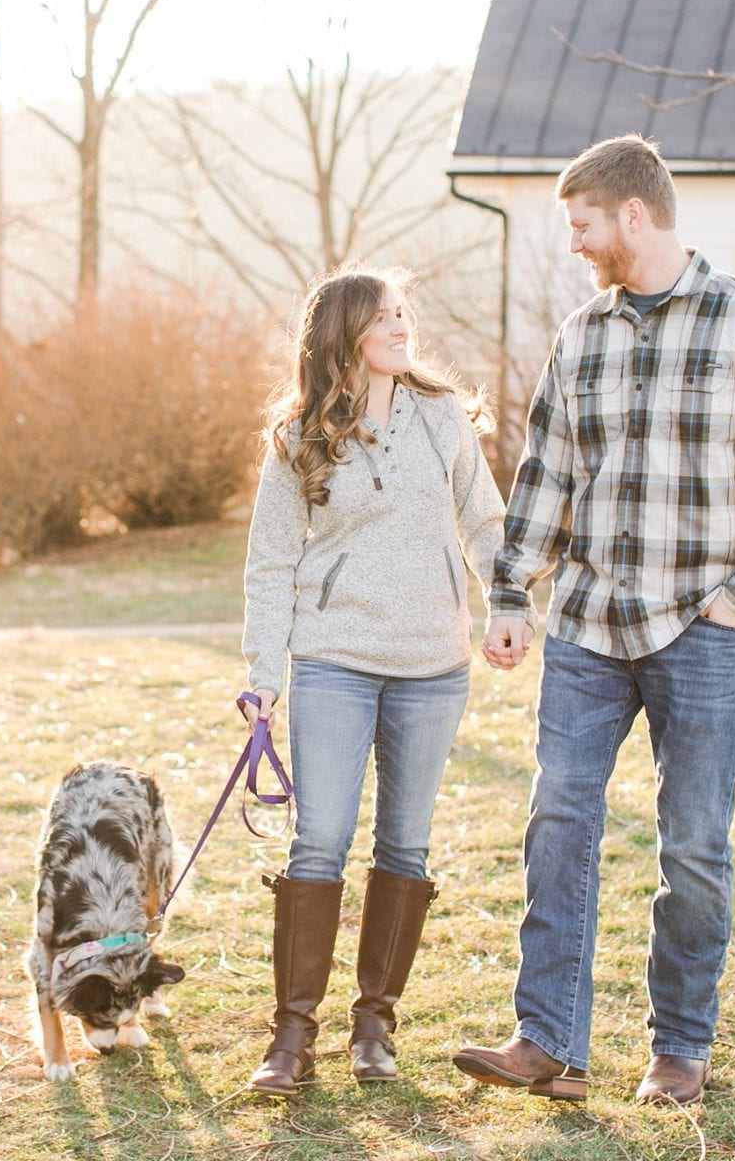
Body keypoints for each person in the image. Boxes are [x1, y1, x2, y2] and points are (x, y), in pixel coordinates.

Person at [451, 134, 735, 1106]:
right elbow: (545, 476)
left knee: (693, 844)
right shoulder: (583, 336)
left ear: (632, 215)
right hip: (586, 628)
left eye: (582, 225)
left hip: (702, 633)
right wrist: (510, 594)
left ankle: (679, 1049)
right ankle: (548, 1044)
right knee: (558, 822)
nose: (575, 244)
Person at [240, 264, 506, 1096]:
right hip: (333, 662)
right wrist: (263, 672)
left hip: (433, 664)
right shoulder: (297, 437)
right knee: (318, 841)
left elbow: (486, 520)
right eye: (384, 316)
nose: (402, 326)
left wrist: (506, 604)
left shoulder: (442, 418)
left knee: (406, 845)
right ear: (344, 334)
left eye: (403, 313)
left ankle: (374, 1025)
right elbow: (270, 562)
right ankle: (292, 1035)